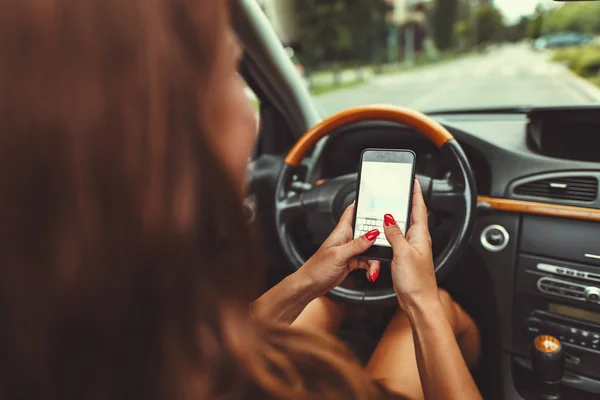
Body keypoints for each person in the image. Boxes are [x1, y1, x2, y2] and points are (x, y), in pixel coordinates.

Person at [0, 1, 481, 399]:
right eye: (231, 75)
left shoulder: (91, 338)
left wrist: (310, 278)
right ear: (157, 146)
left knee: (333, 304)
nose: (249, 120)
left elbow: (206, 340)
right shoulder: (326, 387)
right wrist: (419, 302)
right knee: (435, 306)